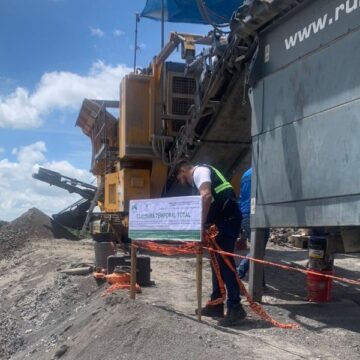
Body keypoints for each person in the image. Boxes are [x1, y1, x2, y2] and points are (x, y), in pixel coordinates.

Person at [175, 159, 246, 326]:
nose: (180, 181)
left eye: (179, 176)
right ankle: (216, 303)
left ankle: (235, 307)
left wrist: (199, 226)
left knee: (225, 264)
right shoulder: (199, 180)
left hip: (227, 221)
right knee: (217, 264)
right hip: (222, 222)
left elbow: (206, 196)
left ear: (184, 170)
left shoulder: (200, 172)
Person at [237, 168, 269, 280]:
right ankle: (238, 273)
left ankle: (260, 282)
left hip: (246, 213)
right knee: (257, 250)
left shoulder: (246, 173)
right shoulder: (263, 171)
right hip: (257, 214)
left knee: (258, 250)